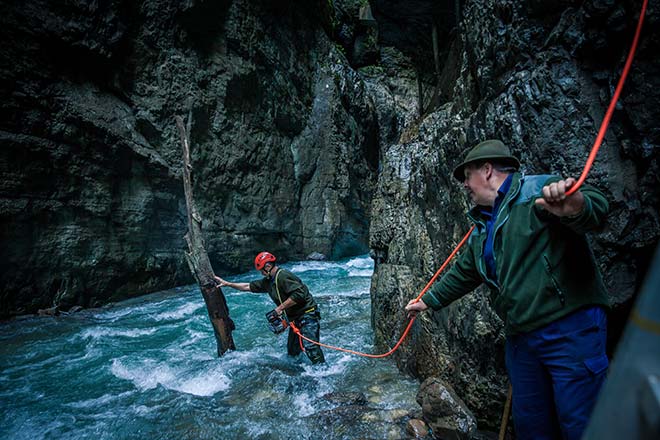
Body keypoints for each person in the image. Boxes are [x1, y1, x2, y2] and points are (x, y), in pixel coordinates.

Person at [405, 139, 610, 440]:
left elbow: (597, 207)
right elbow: (466, 271)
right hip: (521, 340)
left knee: (582, 423)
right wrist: (428, 301)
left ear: (487, 170)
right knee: (531, 427)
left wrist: (576, 207)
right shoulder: (483, 224)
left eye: (467, 175)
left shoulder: (537, 191)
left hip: (569, 329)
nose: (464, 184)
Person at [214, 251, 326, 365]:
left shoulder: (283, 276)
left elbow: (299, 294)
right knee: (293, 352)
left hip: (307, 314)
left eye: (262, 270)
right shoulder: (268, 282)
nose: (261, 273)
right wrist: (228, 284)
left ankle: (322, 372)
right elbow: (248, 286)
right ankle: (299, 371)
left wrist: (279, 309)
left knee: (311, 347)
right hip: (295, 319)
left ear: (268, 266)